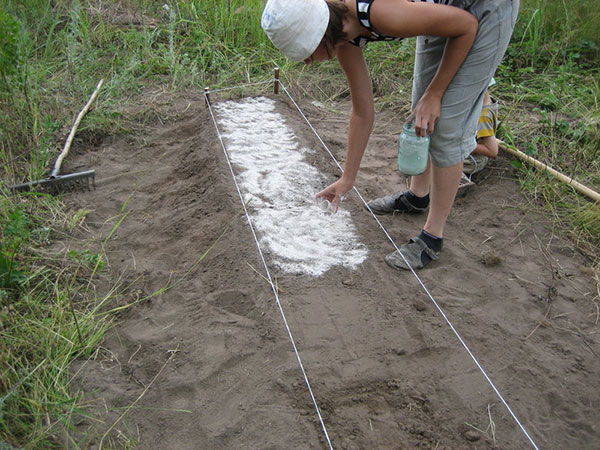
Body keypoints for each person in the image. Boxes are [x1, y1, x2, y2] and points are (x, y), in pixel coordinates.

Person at [261, 0, 519, 270]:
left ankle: (432, 237)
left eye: (308, 52)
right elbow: (362, 113)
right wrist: (347, 178)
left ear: (321, 33)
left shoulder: (380, 13)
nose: (307, 61)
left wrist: (436, 94)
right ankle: (418, 196)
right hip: (445, 9)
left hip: (484, 9)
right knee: (421, 112)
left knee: (446, 128)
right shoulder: (344, 34)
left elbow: (467, 26)